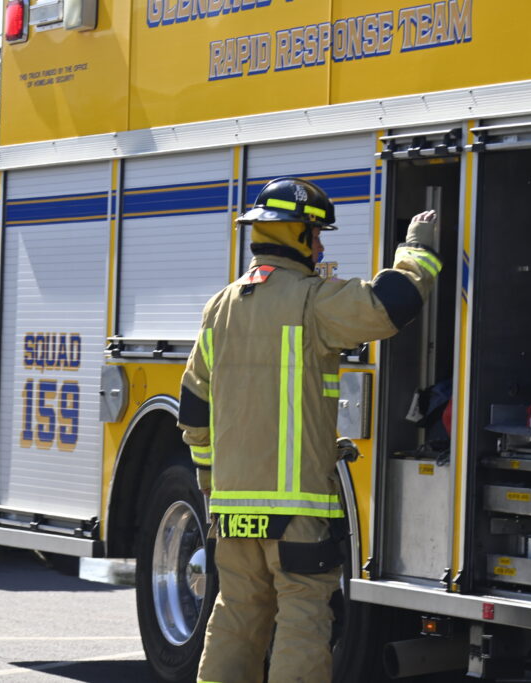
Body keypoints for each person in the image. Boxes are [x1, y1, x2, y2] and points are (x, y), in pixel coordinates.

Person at [178, 176, 441, 683]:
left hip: (232, 510)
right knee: (302, 618)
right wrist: (416, 250)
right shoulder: (313, 301)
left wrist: (212, 486)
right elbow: (392, 304)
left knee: (236, 616)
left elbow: (194, 413)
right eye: (316, 234)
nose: (321, 247)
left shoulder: (220, 307)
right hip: (296, 511)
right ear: (295, 234)